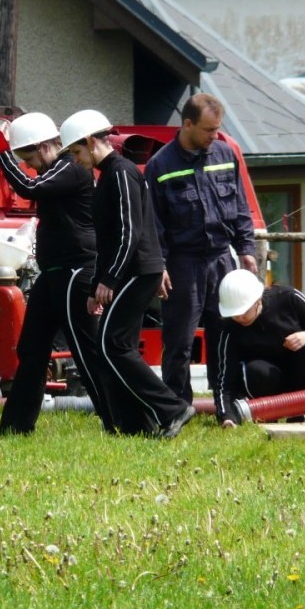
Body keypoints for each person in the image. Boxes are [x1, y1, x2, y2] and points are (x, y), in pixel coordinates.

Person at [60, 109, 195, 438]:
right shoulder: (108, 175)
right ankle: (138, 425)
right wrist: (96, 286)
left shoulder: (120, 172)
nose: (76, 160)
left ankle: (173, 408)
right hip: (134, 270)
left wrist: (109, 279)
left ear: (92, 143)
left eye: (77, 152)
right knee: (115, 348)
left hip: (136, 271)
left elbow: (130, 231)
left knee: (110, 345)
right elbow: (108, 239)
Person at [0, 112, 113, 434]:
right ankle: (16, 427)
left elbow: (28, 187)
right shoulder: (58, 169)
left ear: (46, 145)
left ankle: (116, 418)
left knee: (85, 349)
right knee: (31, 348)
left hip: (76, 269)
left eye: (29, 156)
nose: (29, 164)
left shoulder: (69, 169)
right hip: (55, 271)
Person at [145, 93, 257, 405]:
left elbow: (239, 205)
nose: (215, 136)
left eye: (218, 129)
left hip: (221, 259)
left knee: (225, 335)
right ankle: (177, 406)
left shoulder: (224, 153)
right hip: (184, 264)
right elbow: (154, 224)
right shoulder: (160, 165)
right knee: (179, 341)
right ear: (188, 124)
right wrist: (160, 266)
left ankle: (226, 402)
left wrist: (245, 249)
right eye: (209, 130)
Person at [211, 269, 305, 428]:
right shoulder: (229, 329)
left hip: (296, 373)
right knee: (254, 370)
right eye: (234, 314)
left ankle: (299, 410)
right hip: (262, 380)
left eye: (244, 311)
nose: (239, 318)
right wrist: (227, 416)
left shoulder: (288, 297)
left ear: (257, 300)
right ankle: (268, 413)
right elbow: (225, 377)